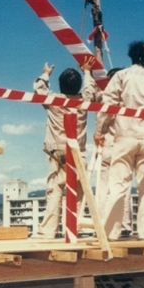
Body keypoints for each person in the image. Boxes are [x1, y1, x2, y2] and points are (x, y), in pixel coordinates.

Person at [94, 41, 144, 240]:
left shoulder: (122, 76)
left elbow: (108, 105)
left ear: (133, 56)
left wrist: (100, 130)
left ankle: (111, 232)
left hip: (124, 135)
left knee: (118, 185)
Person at [34, 56, 97, 238]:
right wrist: (86, 71)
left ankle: (48, 231)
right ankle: (73, 229)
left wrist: (45, 75)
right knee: (76, 193)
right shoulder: (83, 102)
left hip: (57, 152)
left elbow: (39, 89)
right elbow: (89, 89)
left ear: (61, 85)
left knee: (55, 190)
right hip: (78, 152)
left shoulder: (54, 101)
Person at [93, 68, 133, 237]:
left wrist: (98, 132)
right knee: (124, 188)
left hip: (109, 145)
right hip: (126, 146)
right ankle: (125, 225)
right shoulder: (132, 101)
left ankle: (103, 223)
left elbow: (96, 100)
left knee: (104, 187)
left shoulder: (107, 98)